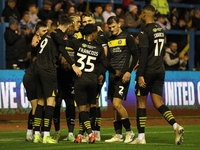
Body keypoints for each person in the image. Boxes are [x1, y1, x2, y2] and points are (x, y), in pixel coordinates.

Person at [50, 23, 122, 143]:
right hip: (93, 81)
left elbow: (62, 43)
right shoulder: (98, 47)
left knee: (82, 110)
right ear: (93, 34)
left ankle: (90, 134)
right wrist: (115, 72)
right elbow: (105, 63)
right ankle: (80, 134)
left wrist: (52, 33)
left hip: (80, 80)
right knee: (89, 109)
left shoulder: (77, 43)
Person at [131, 4, 184, 145]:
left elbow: (143, 53)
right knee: (158, 102)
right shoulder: (161, 29)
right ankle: (175, 125)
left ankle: (141, 137)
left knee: (141, 102)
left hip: (147, 70)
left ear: (143, 14)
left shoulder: (143, 32)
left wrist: (140, 74)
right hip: (160, 69)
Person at [33, 14, 81, 144]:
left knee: (41, 102)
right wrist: (74, 64)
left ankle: (37, 134)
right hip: (48, 70)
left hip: (37, 69)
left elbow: (60, 49)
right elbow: (63, 46)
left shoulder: (49, 35)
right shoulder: (57, 35)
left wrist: (72, 65)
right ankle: (47, 135)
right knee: (51, 102)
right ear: (70, 25)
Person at [104, 16, 138, 143]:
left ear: (119, 24)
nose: (112, 29)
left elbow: (135, 56)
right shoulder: (110, 39)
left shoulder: (128, 37)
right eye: (110, 27)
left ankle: (129, 132)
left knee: (117, 104)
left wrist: (128, 72)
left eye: (114, 26)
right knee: (114, 107)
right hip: (112, 75)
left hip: (123, 76)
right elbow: (109, 58)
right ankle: (118, 135)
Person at [80, 11, 109, 141]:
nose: (87, 23)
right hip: (88, 73)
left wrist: (101, 73)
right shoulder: (83, 34)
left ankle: (94, 132)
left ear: (94, 20)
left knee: (93, 103)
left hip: (97, 73)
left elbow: (105, 55)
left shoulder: (100, 34)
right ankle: (91, 132)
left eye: (89, 21)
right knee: (89, 103)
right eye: (84, 22)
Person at [23, 21, 48, 142]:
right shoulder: (37, 41)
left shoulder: (44, 41)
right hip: (32, 76)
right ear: (37, 33)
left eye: (46, 31)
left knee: (40, 106)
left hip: (37, 75)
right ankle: (33, 132)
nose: (46, 33)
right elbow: (34, 46)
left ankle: (35, 131)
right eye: (44, 31)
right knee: (36, 106)